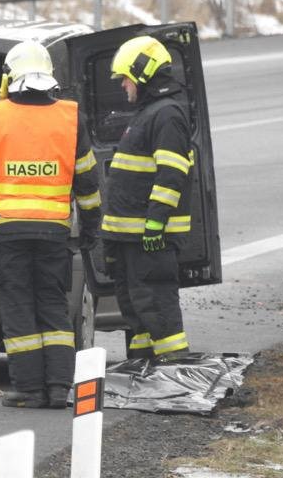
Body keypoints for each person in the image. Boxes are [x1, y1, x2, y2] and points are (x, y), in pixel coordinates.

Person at [0, 40, 101, 409]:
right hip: (54, 231)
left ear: (11, 76)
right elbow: (87, 181)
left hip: (7, 230)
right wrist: (90, 228)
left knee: (18, 306)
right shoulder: (71, 116)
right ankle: (57, 389)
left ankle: (28, 389)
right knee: (53, 306)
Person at [102, 36, 193, 360]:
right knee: (137, 310)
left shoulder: (167, 114)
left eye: (126, 77)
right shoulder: (149, 112)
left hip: (149, 236)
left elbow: (171, 174)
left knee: (157, 307)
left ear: (143, 73)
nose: (123, 85)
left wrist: (156, 221)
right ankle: (142, 374)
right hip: (131, 236)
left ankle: (175, 375)